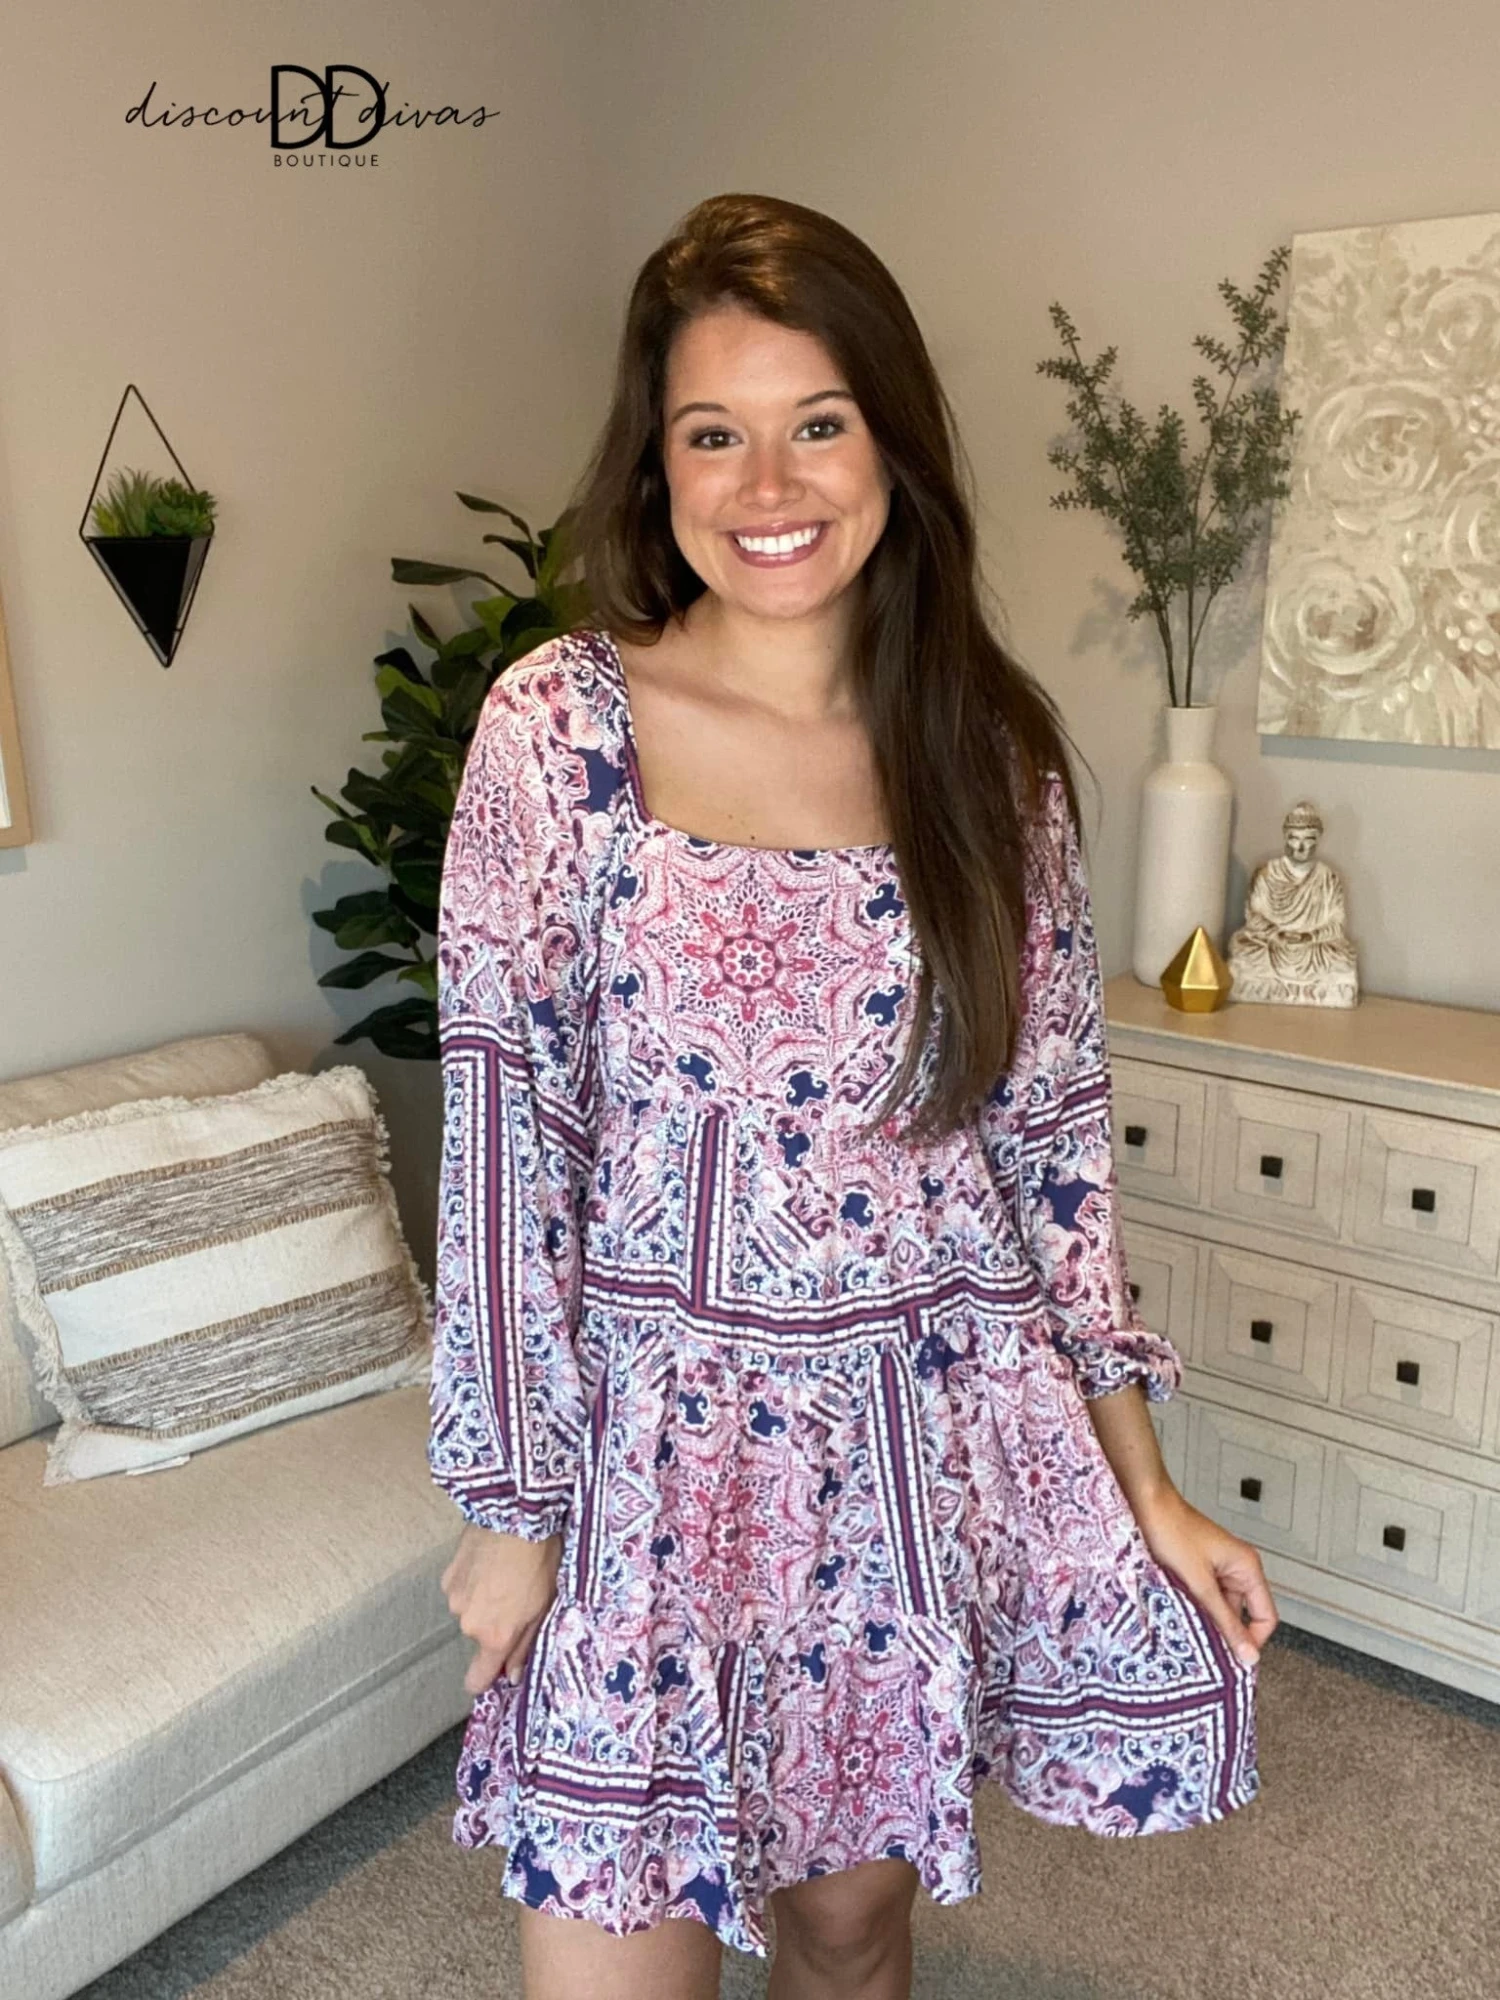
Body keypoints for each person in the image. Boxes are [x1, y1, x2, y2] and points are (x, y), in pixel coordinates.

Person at [430, 192, 1277, 2000]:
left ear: (891, 440)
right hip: (652, 1463)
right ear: (654, 467)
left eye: (817, 421)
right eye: (710, 434)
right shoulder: (558, 731)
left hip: (905, 1440)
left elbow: (1054, 1153)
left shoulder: (988, 754)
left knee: (849, 1931)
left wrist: (1145, 1485)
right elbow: (508, 1148)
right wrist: (513, 1514)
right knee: (607, 1951)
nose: (768, 483)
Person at [1227, 800, 1359, 1006]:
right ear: (1285, 837)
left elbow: (1336, 923)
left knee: (1342, 956)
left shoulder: (1328, 877)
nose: (1301, 846)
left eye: (1308, 839)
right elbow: (1253, 916)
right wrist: (1276, 934)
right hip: (1272, 943)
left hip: (1312, 949)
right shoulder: (1267, 872)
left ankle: (1292, 986)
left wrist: (1309, 936)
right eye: (1295, 838)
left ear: (1318, 839)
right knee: (1243, 947)